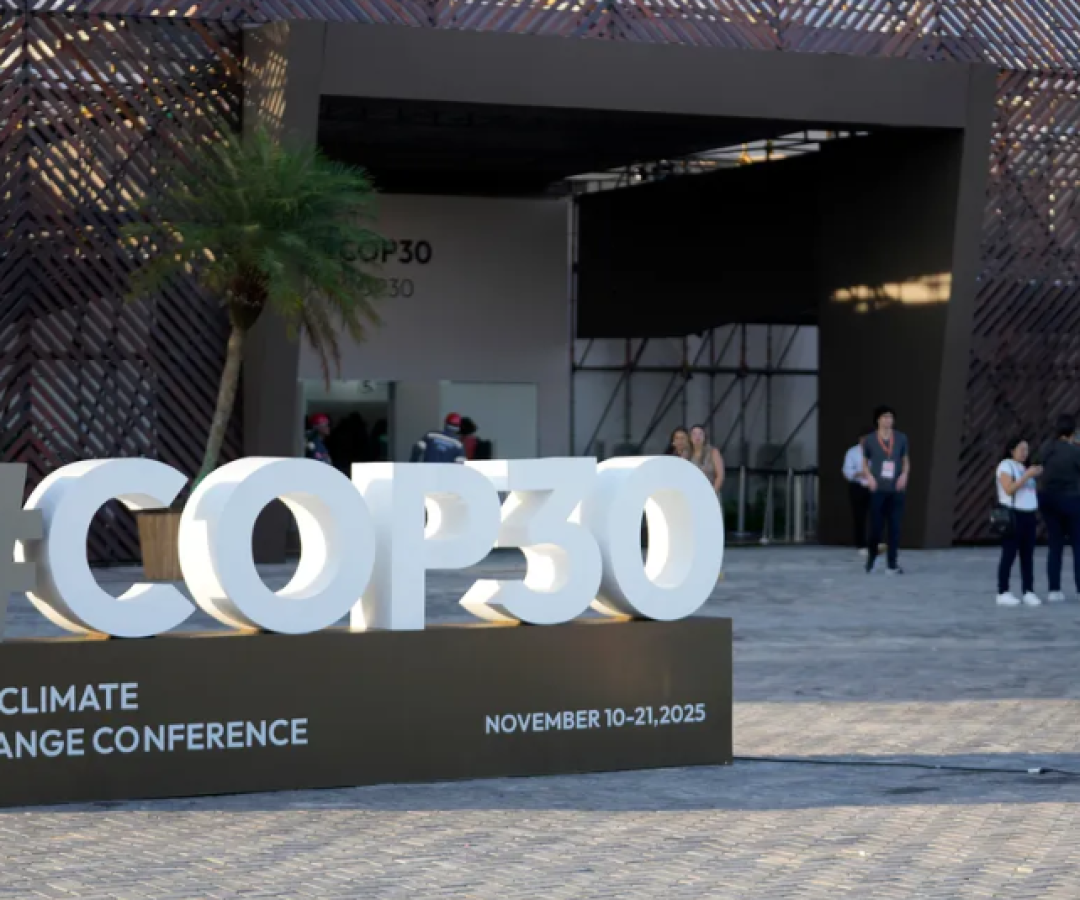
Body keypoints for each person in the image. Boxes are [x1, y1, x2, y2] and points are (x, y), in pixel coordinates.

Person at [1034, 414, 1080, 601]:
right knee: (1078, 545)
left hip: (1048, 500)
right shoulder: (1074, 452)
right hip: (1071, 500)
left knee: (1055, 545)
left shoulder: (1047, 447)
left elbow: (1036, 464)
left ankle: (1054, 589)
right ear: (1072, 432)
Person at [862, 405, 910, 574]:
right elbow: (865, 462)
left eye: (890, 417)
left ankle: (892, 564)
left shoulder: (901, 438)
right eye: (885, 417)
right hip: (878, 489)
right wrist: (869, 476)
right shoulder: (869, 440)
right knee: (875, 527)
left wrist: (904, 475)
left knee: (895, 527)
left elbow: (905, 460)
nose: (888, 420)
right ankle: (872, 559)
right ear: (878, 420)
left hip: (896, 489)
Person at [995, 436, 1042, 607]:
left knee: (1027, 555)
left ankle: (1028, 590)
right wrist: (1026, 476)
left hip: (1029, 514)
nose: (1024, 453)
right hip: (1014, 514)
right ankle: (1003, 591)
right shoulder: (1006, 466)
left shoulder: (1025, 467)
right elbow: (1009, 489)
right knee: (1009, 553)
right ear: (1011, 450)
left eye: (1027, 450)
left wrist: (1032, 474)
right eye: (1021, 449)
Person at [843, 439, 870, 554]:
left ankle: (875, 542)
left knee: (877, 514)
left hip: (874, 486)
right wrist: (859, 473)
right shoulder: (853, 452)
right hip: (858, 486)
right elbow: (846, 470)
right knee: (859, 516)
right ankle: (861, 544)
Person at [689, 424, 724, 494]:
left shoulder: (713, 452)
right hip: (692, 493)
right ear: (690, 438)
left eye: (700, 434)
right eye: (694, 434)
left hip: (710, 491)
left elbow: (720, 476)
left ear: (704, 437)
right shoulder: (688, 454)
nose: (697, 437)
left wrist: (712, 493)